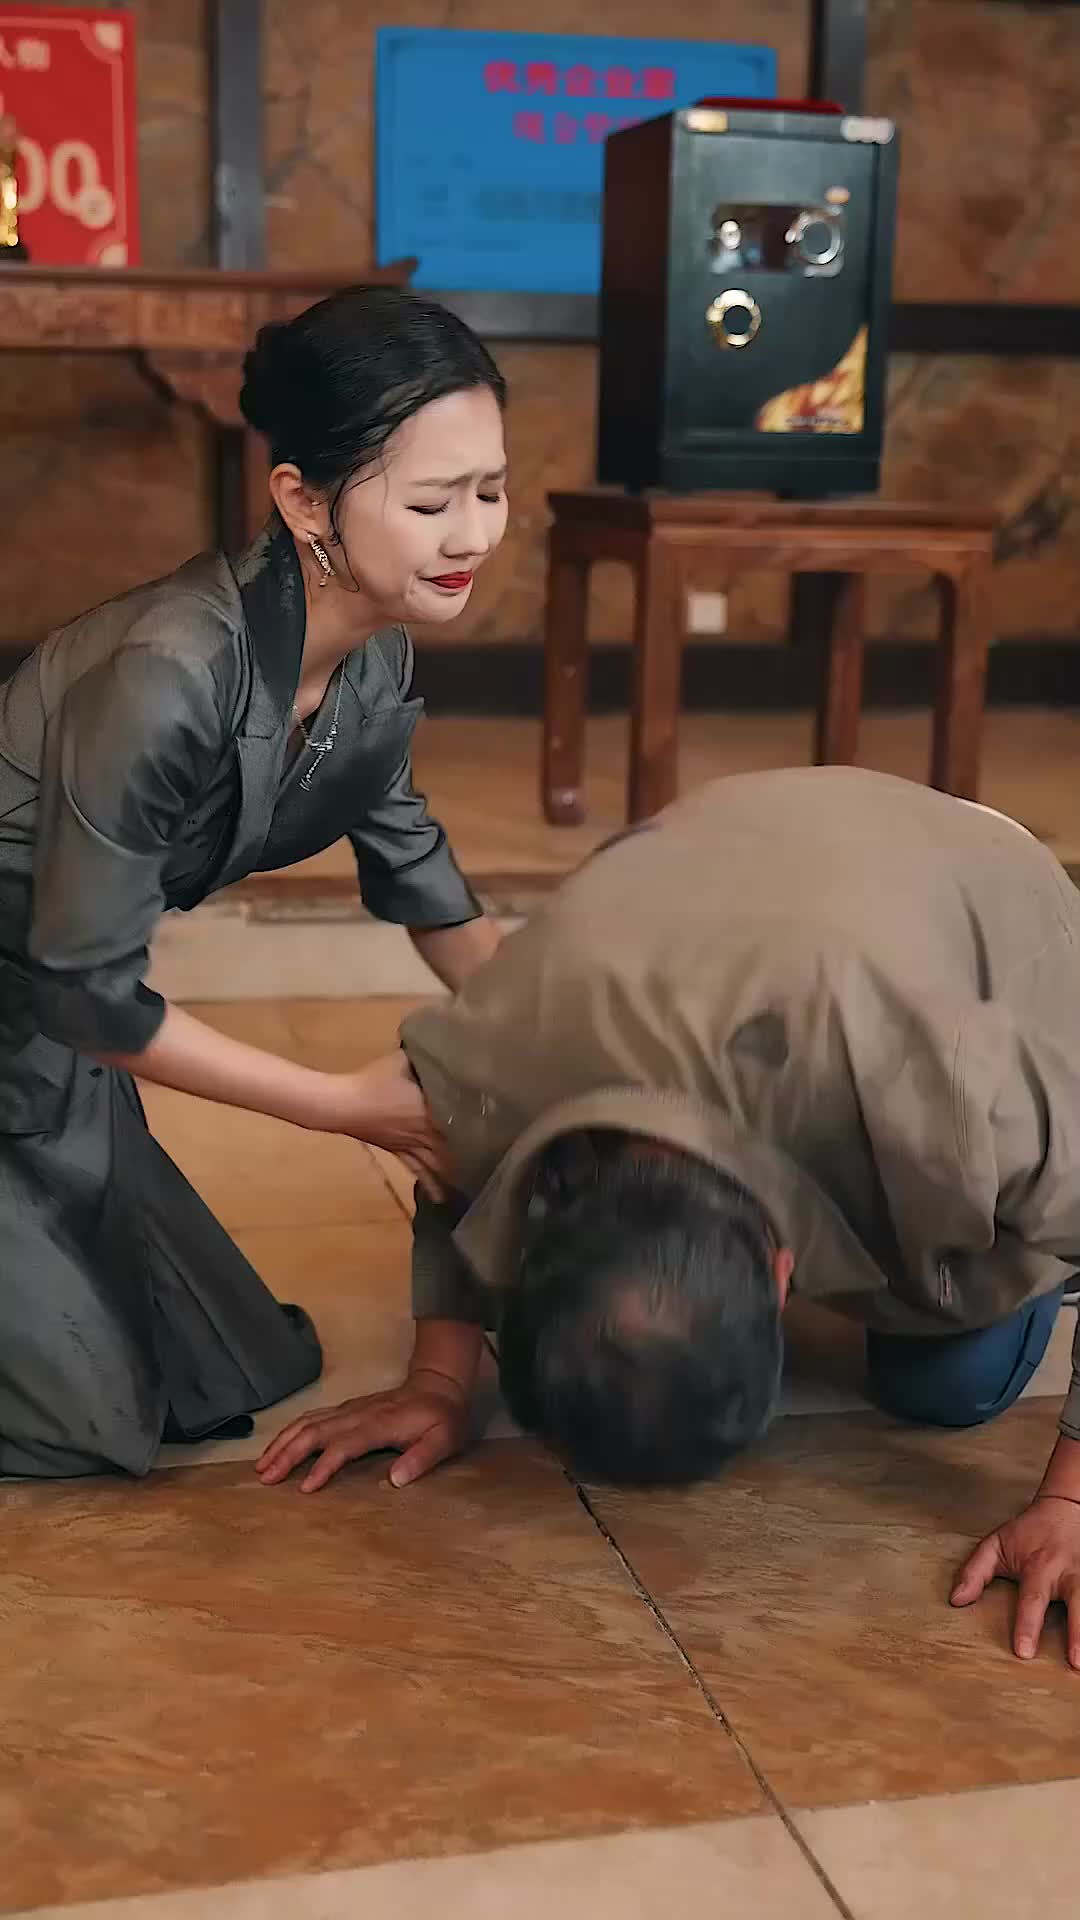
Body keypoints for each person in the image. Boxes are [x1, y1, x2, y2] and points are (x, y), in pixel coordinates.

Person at [259, 766, 1080, 1667]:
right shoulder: (510, 1041)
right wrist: (439, 1381)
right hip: (763, 864)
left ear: (783, 1276)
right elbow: (455, 1146)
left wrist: (1068, 1502)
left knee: (949, 1383)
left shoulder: (948, 1097)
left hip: (986, 889)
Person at [0, 283, 507, 1478]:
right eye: (430, 501)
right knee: (78, 1431)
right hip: (52, 1001)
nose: (472, 535)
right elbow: (90, 995)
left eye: (490, 490)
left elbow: (423, 881)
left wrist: (567, 1037)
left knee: (240, 1373)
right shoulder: (168, 671)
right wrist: (343, 1104)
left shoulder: (372, 660)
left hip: (48, 1015)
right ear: (303, 500)